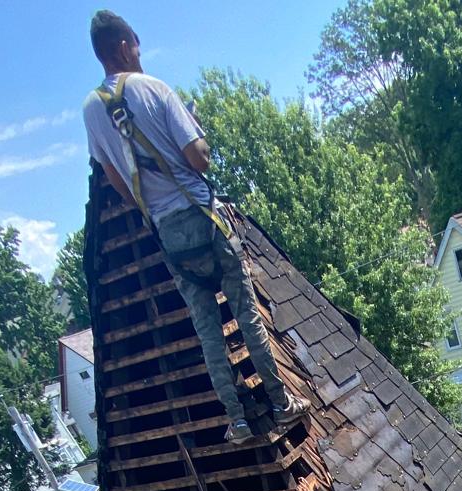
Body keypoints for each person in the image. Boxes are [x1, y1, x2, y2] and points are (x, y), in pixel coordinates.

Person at [82, 10, 308, 445]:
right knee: (246, 316)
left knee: (208, 332)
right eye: (137, 47)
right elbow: (199, 158)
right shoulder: (156, 89)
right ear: (125, 45)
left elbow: (115, 178)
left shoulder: (91, 110)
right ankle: (282, 405)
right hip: (204, 219)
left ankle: (238, 421)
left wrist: (152, 209)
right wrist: (196, 130)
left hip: (167, 233)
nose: (140, 56)